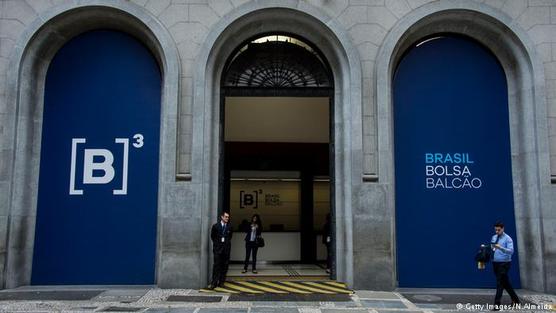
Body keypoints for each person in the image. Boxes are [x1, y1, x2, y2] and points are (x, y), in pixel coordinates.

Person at [490, 221, 520, 310]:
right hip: (495, 262)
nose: (497, 232)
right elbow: (493, 248)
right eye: (495, 230)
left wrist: (501, 248)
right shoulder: (494, 237)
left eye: (498, 230)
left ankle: (497, 304)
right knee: (505, 283)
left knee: (500, 283)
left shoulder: (508, 239)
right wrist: (490, 247)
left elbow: (511, 251)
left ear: (503, 229)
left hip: (504, 263)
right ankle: (516, 301)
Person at [208, 211, 233, 289]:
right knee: (216, 266)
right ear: (222, 217)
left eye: (228, 217)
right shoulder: (216, 226)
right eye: (226, 217)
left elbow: (230, 237)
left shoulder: (230, 227)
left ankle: (221, 282)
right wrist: (217, 245)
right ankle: (214, 283)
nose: (227, 218)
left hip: (226, 249)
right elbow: (213, 236)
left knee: (224, 266)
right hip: (218, 249)